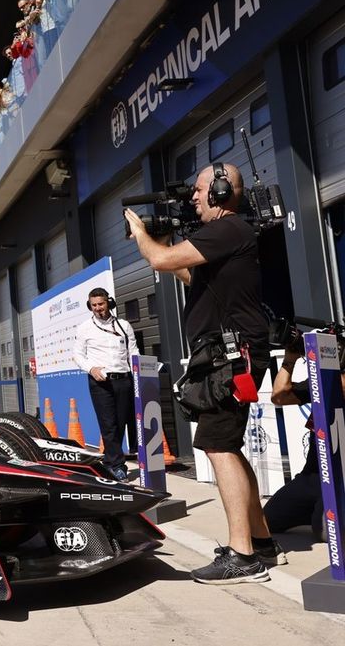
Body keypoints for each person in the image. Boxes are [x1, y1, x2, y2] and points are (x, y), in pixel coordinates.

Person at [125, 162, 280, 584]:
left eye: (199, 190)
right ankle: (260, 542)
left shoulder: (228, 229)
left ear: (221, 191)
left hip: (232, 357)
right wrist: (159, 246)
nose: (193, 197)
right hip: (229, 355)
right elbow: (187, 271)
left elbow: (160, 260)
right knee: (227, 443)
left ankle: (242, 557)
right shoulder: (225, 237)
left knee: (216, 443)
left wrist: (141, 235)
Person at [264, 326, 345, 544]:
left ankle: (324, 515)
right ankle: (316, 512)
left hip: (340, 478)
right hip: (313, 477)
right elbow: (279, 397)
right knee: (267, 521)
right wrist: (290, 358)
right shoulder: (324, 384)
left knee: (327, 534)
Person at [72, 288, 138, 482]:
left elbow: (133, 352)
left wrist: (139, 374)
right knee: (108, 425)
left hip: (123, 380)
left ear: (108, 303)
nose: (98, 308)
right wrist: (91, 368)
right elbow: (77, 355)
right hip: (100, 383)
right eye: (94, 305)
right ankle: (118, 466)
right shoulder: (84, 328)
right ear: (89, 306)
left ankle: (110, 462)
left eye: (101, 304)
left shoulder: (124, 326)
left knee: (121, 423)